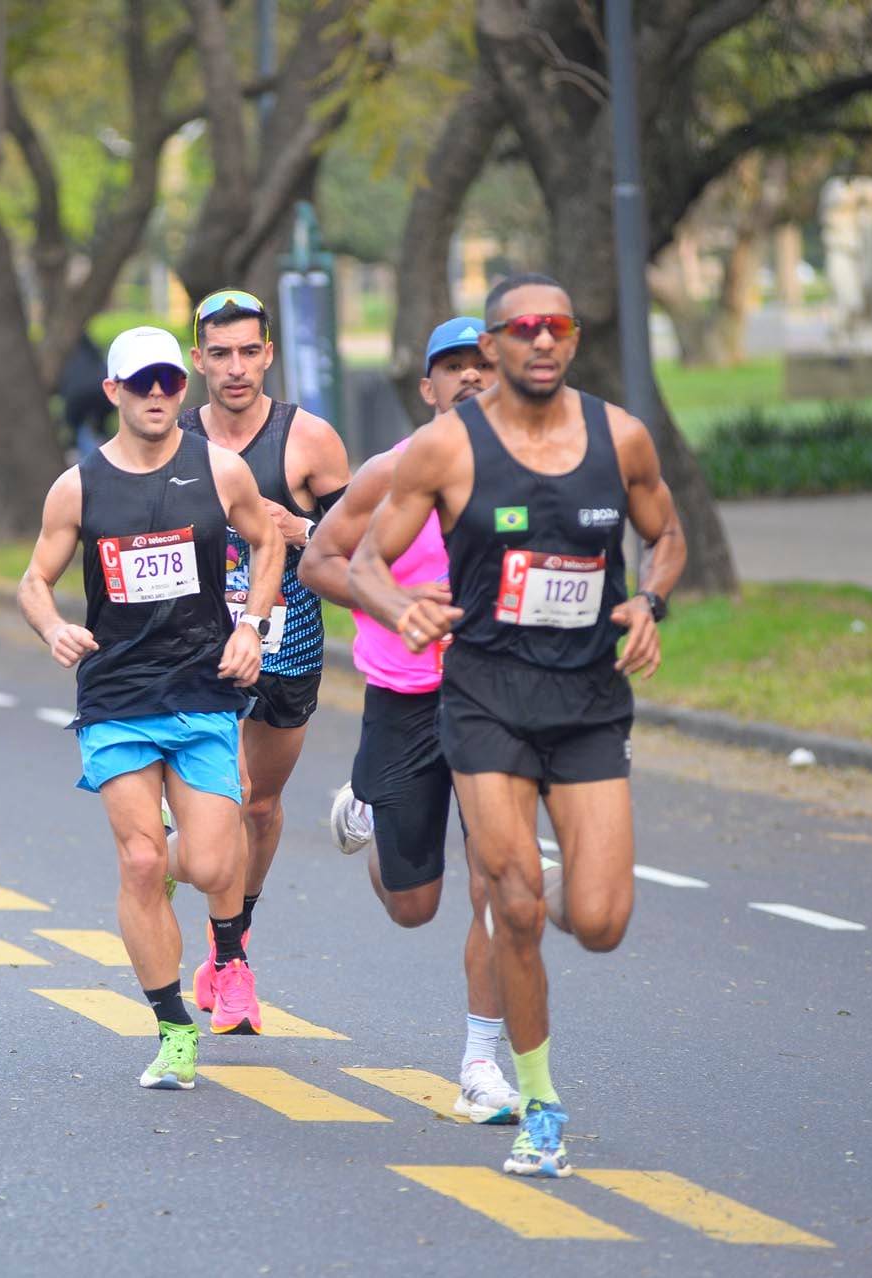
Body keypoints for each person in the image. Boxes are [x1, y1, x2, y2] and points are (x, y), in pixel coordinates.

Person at [348, 274, 685, 1178]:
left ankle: (563, 888)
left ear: (573, 340)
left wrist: (649, 598)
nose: (543, 341)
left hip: (585, 703)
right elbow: (365, 558)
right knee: (517, 904)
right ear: (493, 344)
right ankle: (538, 1104)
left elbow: (668, 533)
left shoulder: (621, 437)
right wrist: (400, 608)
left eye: (558, 327)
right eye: (524, 328)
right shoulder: (445, 450)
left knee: (602, 919)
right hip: (484, 697)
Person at [18, 325, 284, 1084]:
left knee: (206, 862)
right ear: (114, 394)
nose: (160, 394)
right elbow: (33, 579)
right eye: (143, 384)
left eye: (170, 381)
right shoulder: (79, 486)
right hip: (118, 696)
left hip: (203, 689)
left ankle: (202, 916)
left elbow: (268, 544)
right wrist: (54, 627)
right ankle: (173, 1028)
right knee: (140, 860)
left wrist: (253, 629)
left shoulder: (220, 470)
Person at [298, 315, 523, 1124]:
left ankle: (480, 1064)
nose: (470, 378)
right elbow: (319, 560)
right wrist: (394, 609)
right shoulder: (390, 472)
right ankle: (366, 806)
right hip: (405, 698)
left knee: (500, 880)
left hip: (497, 695)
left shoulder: (536, 472)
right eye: (451, 368)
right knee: (413, 902)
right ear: (426, 388)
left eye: (482, 365)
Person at [177, 288, 351, 1018]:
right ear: (198, 361)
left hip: (290, 644)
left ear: (270, 354)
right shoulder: (176, 439)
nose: (236, 367)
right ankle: (235, 961)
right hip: (197, 648)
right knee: (225, 796)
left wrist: (300, 529)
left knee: (260, 804)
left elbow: (357, 555)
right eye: (220, 354)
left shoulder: (310, 440)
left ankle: (229, 942)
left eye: (250, 351)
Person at [59, 332, 112, 459]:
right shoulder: (91, 350)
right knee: (98, 428)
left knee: (83, 430)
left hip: (77, 399)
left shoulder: (67, 355)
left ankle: (93, 462)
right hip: (104, 394)